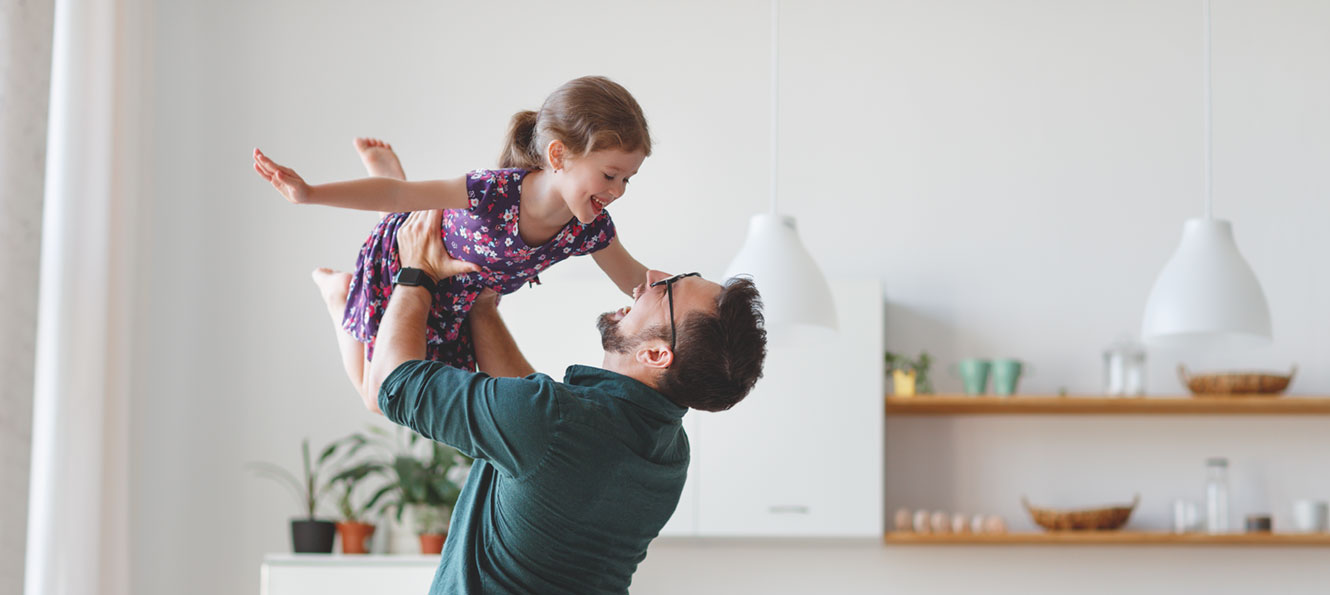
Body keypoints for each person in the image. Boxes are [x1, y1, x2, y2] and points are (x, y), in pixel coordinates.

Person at [354, 207, 767, 594]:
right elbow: (535, 429)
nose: (651, 276)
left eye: (666, 290)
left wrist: (417, 272)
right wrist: (482, 307)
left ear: (656, 354)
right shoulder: (667, 453)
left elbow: (394, 384)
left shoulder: (553, 422)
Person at [252, 76, 655, 408]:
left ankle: (395, 191)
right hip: (403, 264)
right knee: (377, 399)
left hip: (455, 302)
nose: (618, 190)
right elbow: (394, 195)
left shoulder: (590, 229)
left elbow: (638, 280)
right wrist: (309, 193)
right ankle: (339, 294)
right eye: (609, 175)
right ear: (558, 155)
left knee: (407, 396)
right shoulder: (495, 192)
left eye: (627, 179)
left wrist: (710, 295)